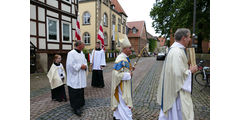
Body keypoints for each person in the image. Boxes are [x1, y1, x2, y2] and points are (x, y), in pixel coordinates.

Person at [156, 28, 198, 120]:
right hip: (176, 94)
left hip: (173, 89)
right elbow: (178, 75)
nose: (190, 39)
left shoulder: (175, 50)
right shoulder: (177, 52)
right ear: (184, 38)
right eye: (189, 37)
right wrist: (191, 71)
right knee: (176, 115)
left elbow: (177, 69)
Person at [111, 35, 134, 120]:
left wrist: (130, 69)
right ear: (125, 49)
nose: (131, 50)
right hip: (122, 87)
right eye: (129, 48)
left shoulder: (125, 58)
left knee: (121, 103)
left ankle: (118, 117)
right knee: (124, 103)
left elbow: (125, 69)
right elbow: (115, 74)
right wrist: (128, 75)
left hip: (125, 85)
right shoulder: (120, 59)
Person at [66, 40, 88, 116]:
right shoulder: (71, 53)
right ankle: (76, 108)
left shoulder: (82, 53)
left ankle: (80, 104)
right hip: (74, 77)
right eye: (83, 44)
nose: (84, 45)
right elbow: (70, 65)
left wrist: (85, 66)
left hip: (81, 76)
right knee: (75, 92)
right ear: (79, 45)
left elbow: (85, 61)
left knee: (81, 91)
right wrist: (79, 66)